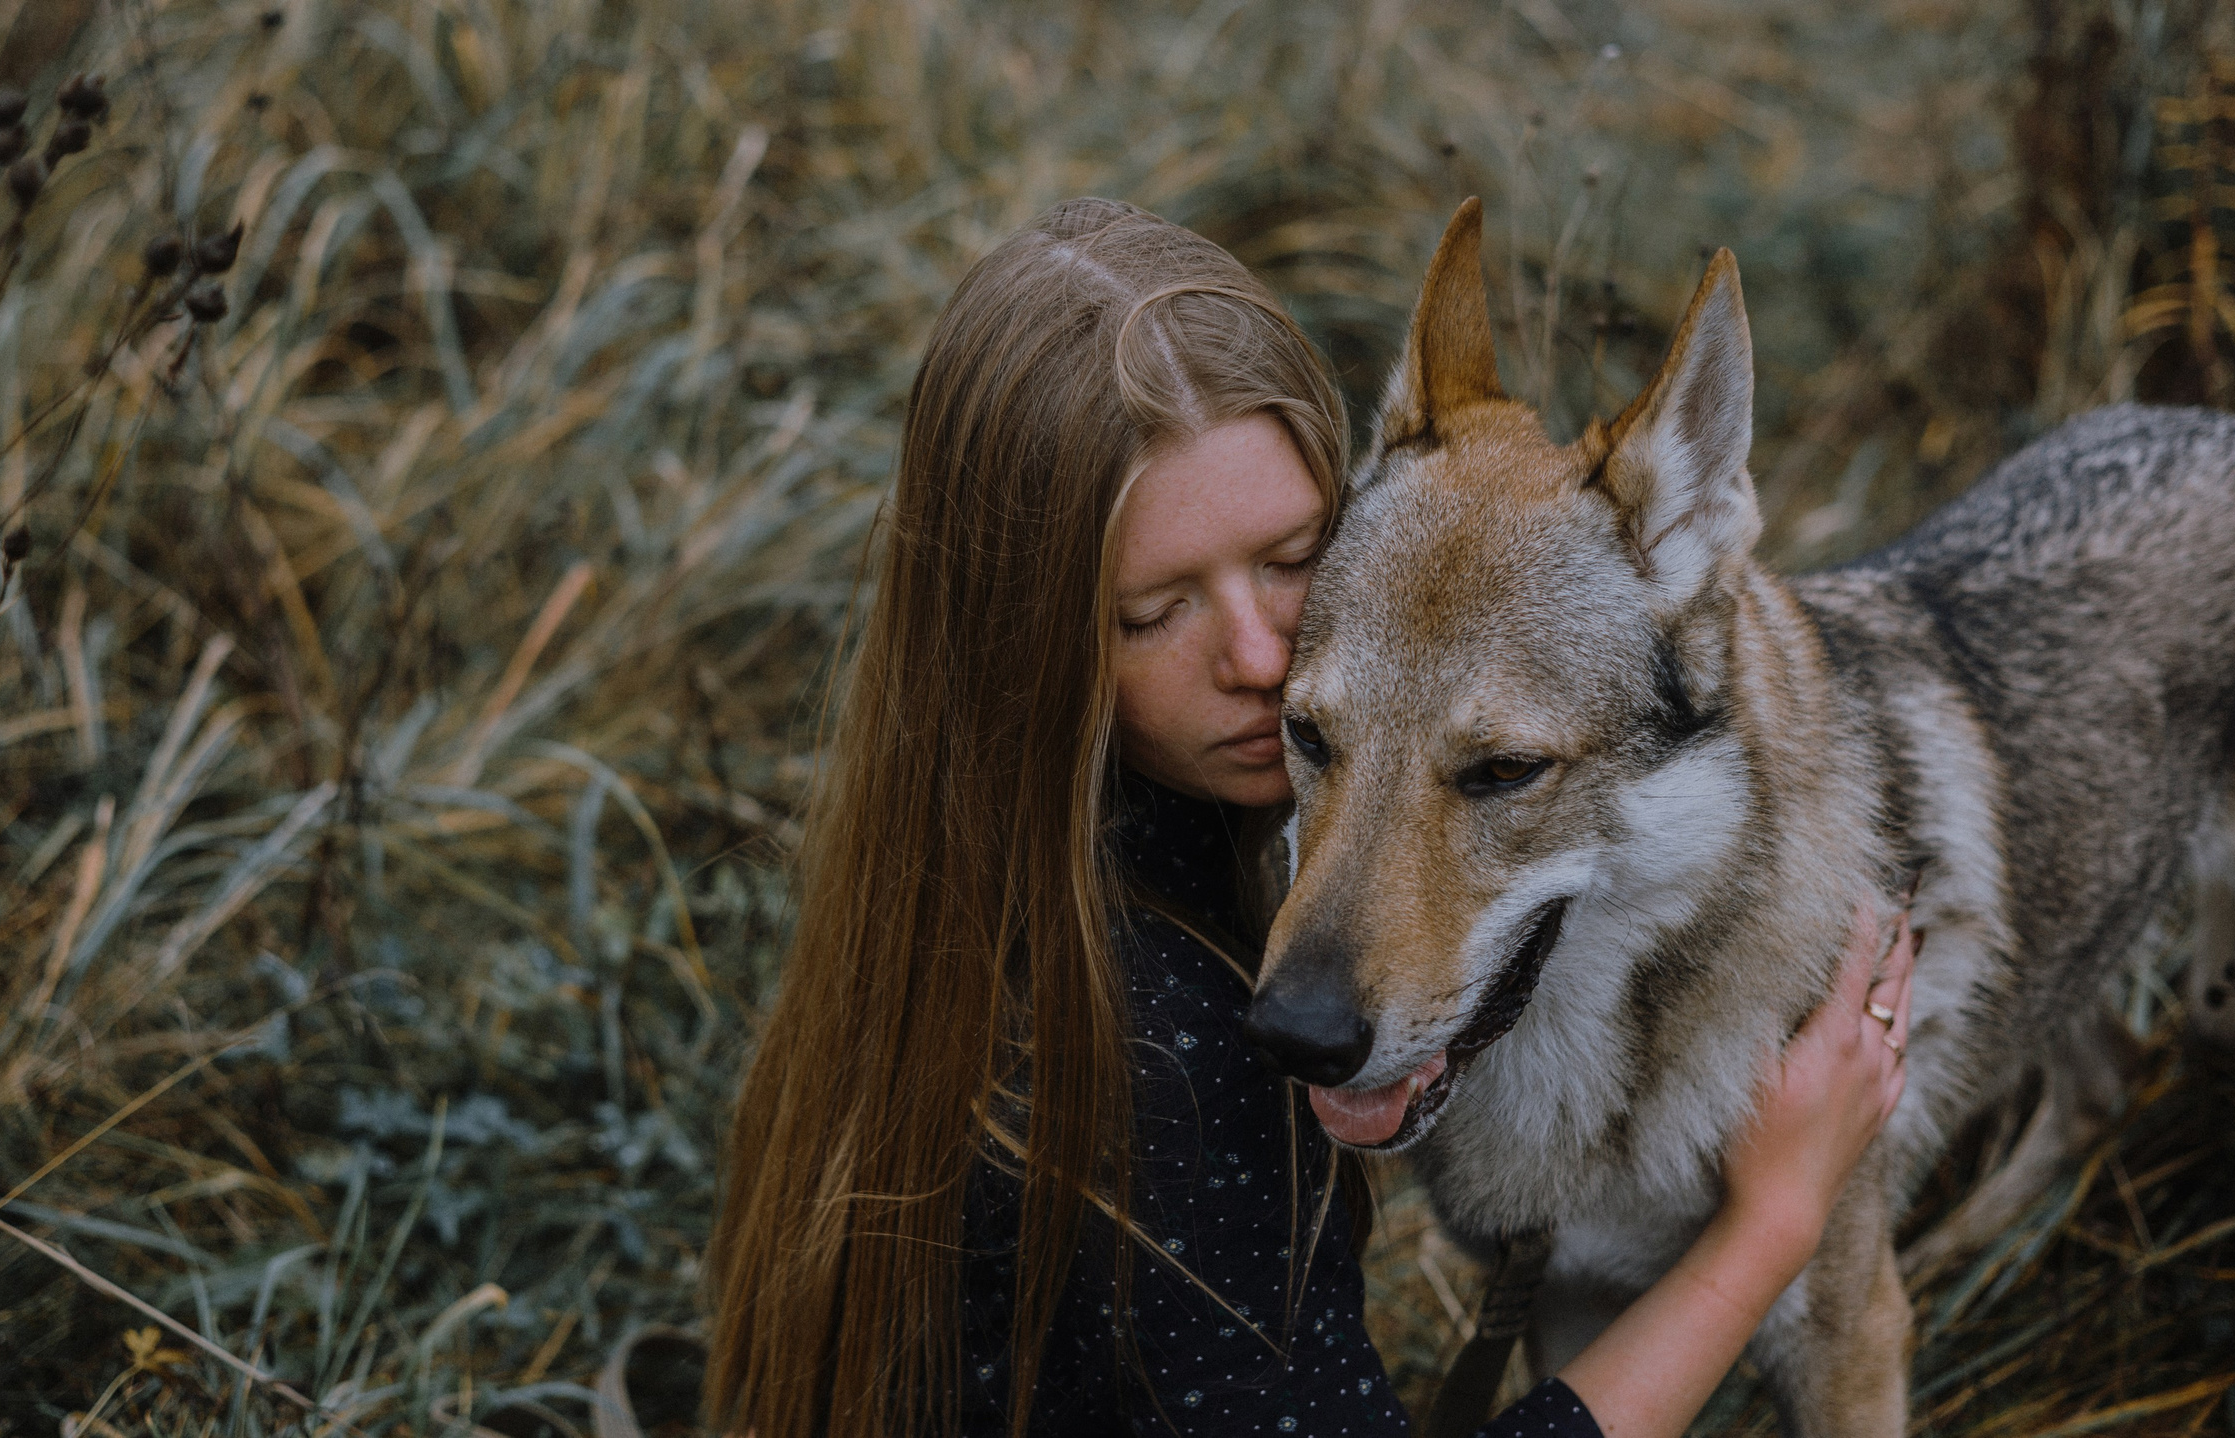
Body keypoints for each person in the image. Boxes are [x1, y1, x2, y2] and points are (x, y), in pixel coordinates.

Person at [705, 198, 1916, 1438]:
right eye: (1149, 610)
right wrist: (1770, 1226)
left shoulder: (984, 853)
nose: (1262, 656)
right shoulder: (1163, 1058)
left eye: (1291, 557)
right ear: (1017, 625)